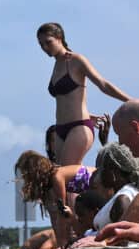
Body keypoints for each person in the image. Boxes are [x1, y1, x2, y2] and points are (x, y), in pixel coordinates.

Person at [37, 22, 131, 165]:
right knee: (61, 177)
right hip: (60, 129)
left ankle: (94, 177)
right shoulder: (56, 65)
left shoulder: (76, 60)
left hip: (78, 127)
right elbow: (68, 99)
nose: (45, 47)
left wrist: (130, 100)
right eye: (41, 44)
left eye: (48, 42)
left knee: (62, 175)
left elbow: (102, 83)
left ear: (59, 37)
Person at [15, 150, 95, 247]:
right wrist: (60, 242)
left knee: (73, 213)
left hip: (100, 182)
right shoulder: (49, 186)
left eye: (26, 175)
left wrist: (62, 243)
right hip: (92, 190)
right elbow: (55, 217)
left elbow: (62, 211)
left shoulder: (57, 176)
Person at [91, 143, 139, 231]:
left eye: (101, 170)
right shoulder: (121, 195)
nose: (98, 175)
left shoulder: (123, 199)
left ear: (113, 171)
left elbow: (120, 238)